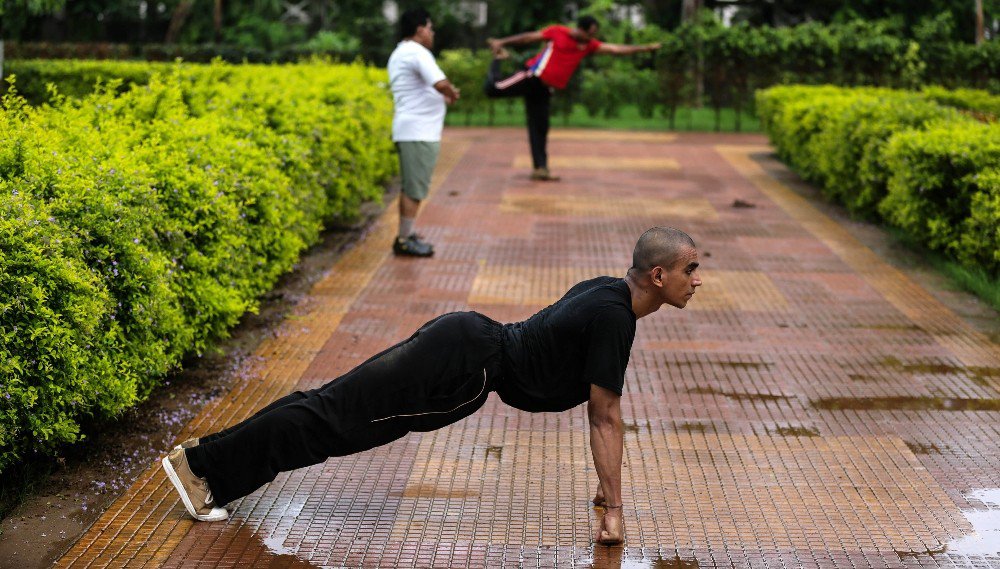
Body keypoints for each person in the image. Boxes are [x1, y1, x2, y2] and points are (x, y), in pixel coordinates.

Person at [161, 227, 702, 545]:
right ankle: (203, 469)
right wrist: (615, 509)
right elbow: (604, 416)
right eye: (690, 269)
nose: (696, 280)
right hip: (463, 372)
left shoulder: (606, 290)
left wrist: (606, 492)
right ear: (658, 276)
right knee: (336, 421)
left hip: (462, 339)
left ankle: (205, 461)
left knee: (334, 408)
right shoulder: (615, 319)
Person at [484, 16, 661, 181]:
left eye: (594, 34)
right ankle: (498, 59)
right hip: (532, 77)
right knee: (493, 89)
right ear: (580, 30)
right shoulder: (558, 32)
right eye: (590, 34)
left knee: (540, 127)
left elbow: (615, 49)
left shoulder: (589, 45)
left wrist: (644, 48)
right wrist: (502, 42)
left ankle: (541, 169)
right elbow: (528, 38)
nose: (592, 38)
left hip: (545, 90)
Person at [386, 8, 460, 257]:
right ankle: (404, 240)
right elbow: (440, 83)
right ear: (419, 29)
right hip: (418, 132)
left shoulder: (401, 51)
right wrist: (452, 93)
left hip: (412, 130)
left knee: (412, 186)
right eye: (430, 27)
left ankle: (407, 234)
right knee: (414, 189)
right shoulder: (417, 52)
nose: (432, 32)